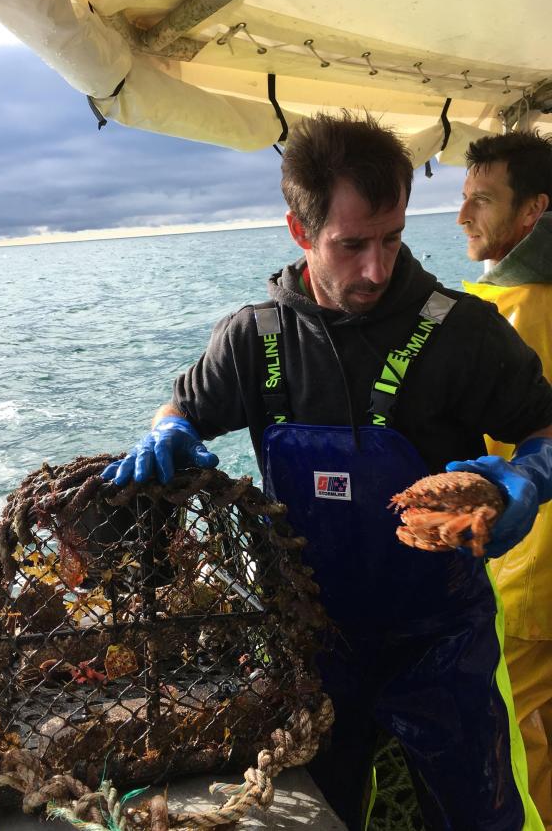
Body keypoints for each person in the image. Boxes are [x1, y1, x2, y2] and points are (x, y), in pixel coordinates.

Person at [103, 113, 552, 830]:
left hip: (443, 641)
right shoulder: (253, 338)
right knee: (318, 813)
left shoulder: (464, 331)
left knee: (482, 816)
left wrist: (526, 479)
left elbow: (541, 423)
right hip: (312, 644)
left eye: (392, 239)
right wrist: (171, 431)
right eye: (351, 245)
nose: (376, 269)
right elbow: (183, 405)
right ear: (300, 230)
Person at [458, 130, 552, 828]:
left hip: (531, 587)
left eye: (481, 201)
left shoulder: (511, 315)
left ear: (532, 212)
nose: (463, 216)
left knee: (516, 745)